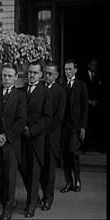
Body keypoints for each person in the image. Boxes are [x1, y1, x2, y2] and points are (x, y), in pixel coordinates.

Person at [0, 62, 26, 220]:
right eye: (4, 75)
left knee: (10, 177)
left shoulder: (20, 96)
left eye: (10, 76)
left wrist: (6, 137)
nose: (6, 79)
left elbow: (20, 121)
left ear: (16, 77)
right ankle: (7, 201)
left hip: (11, 143)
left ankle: (7, 211)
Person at [21, 60, 52, 218]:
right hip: (21, 139)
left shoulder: (45, 92)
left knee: (34, 173)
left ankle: (30, 207)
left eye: (35, 73)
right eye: (30, 72)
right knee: (24, 170)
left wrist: (32, 131)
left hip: (36, 138)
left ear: (41, 75)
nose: (31, 75)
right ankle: (34, 198)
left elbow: (47, 117)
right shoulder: (22, 89)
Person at [39, 62, 66, 211]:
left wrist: (42, 130)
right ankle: (43, 195)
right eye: (45, 73)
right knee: (40, 168)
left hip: (51, 136)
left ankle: (48, 198)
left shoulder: (60, 91)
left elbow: (59, 117)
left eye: (50, 74)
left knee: (49, 170)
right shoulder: (40, 88)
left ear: (56, 75)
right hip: (39, 136)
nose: (47, 76)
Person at [60, 59, 88, 193]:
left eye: (70, 69)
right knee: (65, 154)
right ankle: (68, 182)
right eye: (66, 69)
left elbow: (85, 108)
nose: (67, 72)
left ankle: (77, 179)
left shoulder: (81, 85)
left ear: (75, 70)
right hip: (63, 126)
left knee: (73, 152)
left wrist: (83, 127)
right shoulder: (61, 85)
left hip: (75, 125)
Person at [77, 58, 103, 152]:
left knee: (96, 125)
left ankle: (97, 146)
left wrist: (96, 100)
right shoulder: (82, 77)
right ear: (89, 65)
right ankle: (85, 146)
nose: (94, 67)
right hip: (86, 105)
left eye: (96, 65)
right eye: (93, 65)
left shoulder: (98, 76)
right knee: (85, 125)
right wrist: (87, 101)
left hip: (96, 106)